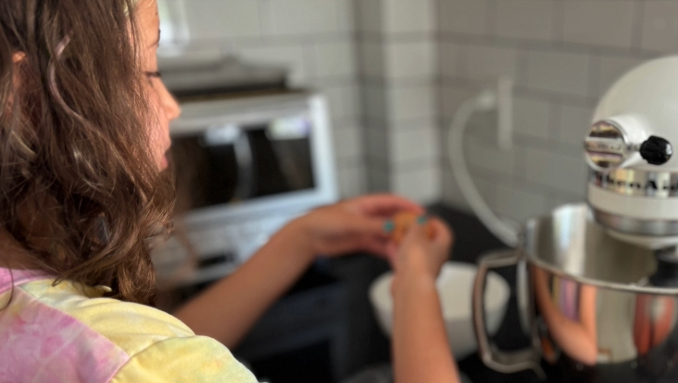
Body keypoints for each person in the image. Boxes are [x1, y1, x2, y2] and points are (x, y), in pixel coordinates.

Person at [0, 0, 460, 382]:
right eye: (147, 72)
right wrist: (416, 281)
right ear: (31, 99)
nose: (172, 106)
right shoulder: (140, 363)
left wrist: (304, 236)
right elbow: (150, 358)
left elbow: (161, 347)